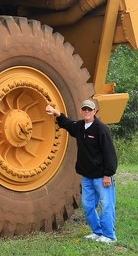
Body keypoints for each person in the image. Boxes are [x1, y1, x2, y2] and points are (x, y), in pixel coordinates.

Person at [45, 98, 118, 243]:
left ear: (95, 112)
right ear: (81, 111)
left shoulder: (101, 129)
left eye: (89, 110)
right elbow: (67, 123)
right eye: (84, 109)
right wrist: (56, 113)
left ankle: (109, 235)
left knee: (106, 204)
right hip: (87, 177)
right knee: (88, 205)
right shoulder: (80, 127)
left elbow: (110, 153)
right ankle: (97, 232)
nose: (86, 112)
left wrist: (108, 175)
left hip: (101, 176)